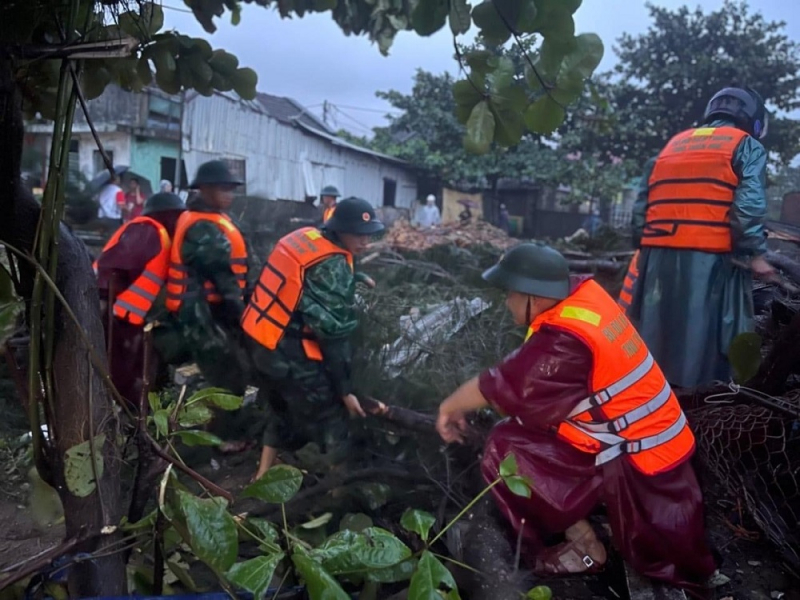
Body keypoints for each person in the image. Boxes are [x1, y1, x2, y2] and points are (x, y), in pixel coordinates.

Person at [436, 244, 716, 596]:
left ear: (533, 296)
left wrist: (449, 407)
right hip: (639, 443)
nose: (506, 302)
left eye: (510, 293)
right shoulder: (585, 300)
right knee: (513, 436)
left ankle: (584, 543)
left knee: (503, 448)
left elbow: (506, 384)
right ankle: (584, 536)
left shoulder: (567, 340)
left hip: (643, 464)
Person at [627, 87, 774, 388]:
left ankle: (651, 396)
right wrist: (756, 253)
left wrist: (644, 246)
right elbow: (747, 208)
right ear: (754, 119)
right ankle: (700, 404)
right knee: (704, 341)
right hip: (709, 258)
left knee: (656, 336)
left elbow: (640, 209)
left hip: (657, 257)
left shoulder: (672, 146)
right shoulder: (746, 146)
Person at [241, 197, 385, 481]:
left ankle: (262, 475)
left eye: (369, 235)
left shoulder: (305, 236)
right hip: (286, 351)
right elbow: (334, 336)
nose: (365, 242)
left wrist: (353, 277)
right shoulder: (332, 265)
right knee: (333, 416)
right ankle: (337, 490)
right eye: (358, 234)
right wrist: (346, 391)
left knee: (280, 407)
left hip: (259, 339)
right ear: (340, 229)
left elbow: (301, 279)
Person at [163, 160, 251, 393]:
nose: (229, 195)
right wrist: (243, 319)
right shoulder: (201, 226)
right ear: (204, 189)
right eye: (223, 189)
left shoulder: (213, 218)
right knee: (228, 381)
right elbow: (223, 278)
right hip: (200, 316)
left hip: (211, 312)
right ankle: (218, 424)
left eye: (231, 189)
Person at [94, 192, 186, 406]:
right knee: (118, 376)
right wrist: (103, 303)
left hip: (127, 319)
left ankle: (131, 418)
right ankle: (121, 418)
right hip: (115, 317)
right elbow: (113, 268)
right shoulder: (148, 229)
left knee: (128, 373)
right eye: (177, 216)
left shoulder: (159, 236)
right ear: (166, 215)